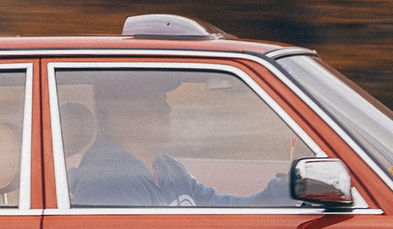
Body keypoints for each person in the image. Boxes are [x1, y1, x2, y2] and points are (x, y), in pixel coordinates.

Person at [69, 73, 291, 207]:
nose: (166, 108)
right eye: (151, 101)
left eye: (162, 99)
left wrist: (281, 192)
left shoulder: (167, 166)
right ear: (116, 114)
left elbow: (220, 210)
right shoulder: (109, 182)